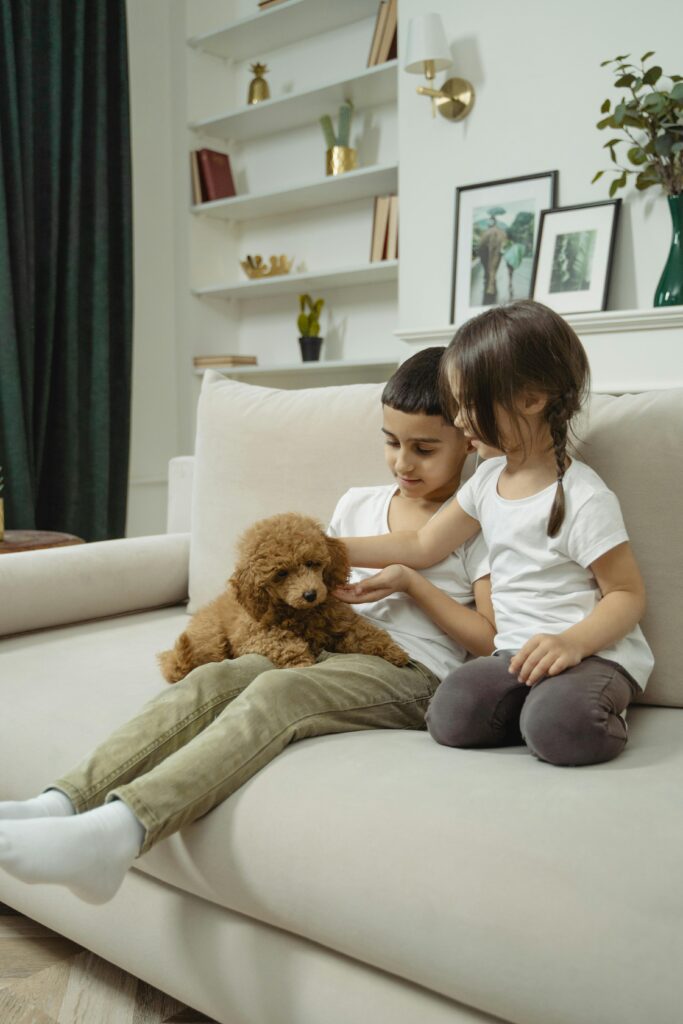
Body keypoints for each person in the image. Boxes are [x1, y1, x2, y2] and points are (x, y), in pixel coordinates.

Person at [0, 348, 494, 905]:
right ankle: (59, 805)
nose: (403, 462)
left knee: (278, 692)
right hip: (324, 642)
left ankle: (119, 832)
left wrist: (412, 584)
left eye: (424, 449)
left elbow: (490, 640)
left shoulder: (479, 523)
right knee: (212, 679)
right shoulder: (358, 503)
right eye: (391, 442)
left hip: (411, 671)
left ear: (469, 441)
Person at [337, 300, 654, 767]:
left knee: (561, 727)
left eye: (468, 404)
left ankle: (574, 712)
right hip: (516, 656)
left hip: (592, 655)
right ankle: (537, 711)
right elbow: (422, 545)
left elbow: (627, 595)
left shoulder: (584, 497)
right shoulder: (487, 480)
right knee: (450, 715)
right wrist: (325, 549)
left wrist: (572, 643)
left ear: (530, 399)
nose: (459, 420)